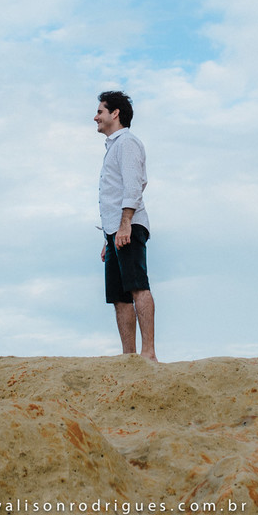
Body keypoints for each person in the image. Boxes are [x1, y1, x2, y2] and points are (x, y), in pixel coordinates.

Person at [95, 90, 157, 361]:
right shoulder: (113, 147)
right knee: (119, 297)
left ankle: (148, 352)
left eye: (100, 111)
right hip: (115, 230)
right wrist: (108, 238)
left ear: (115, 113)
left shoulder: (127, 142)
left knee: (137, 286)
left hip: (128, 226)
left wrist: (125, 225)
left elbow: (134, 185)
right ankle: (129, 357)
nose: (95, 117)